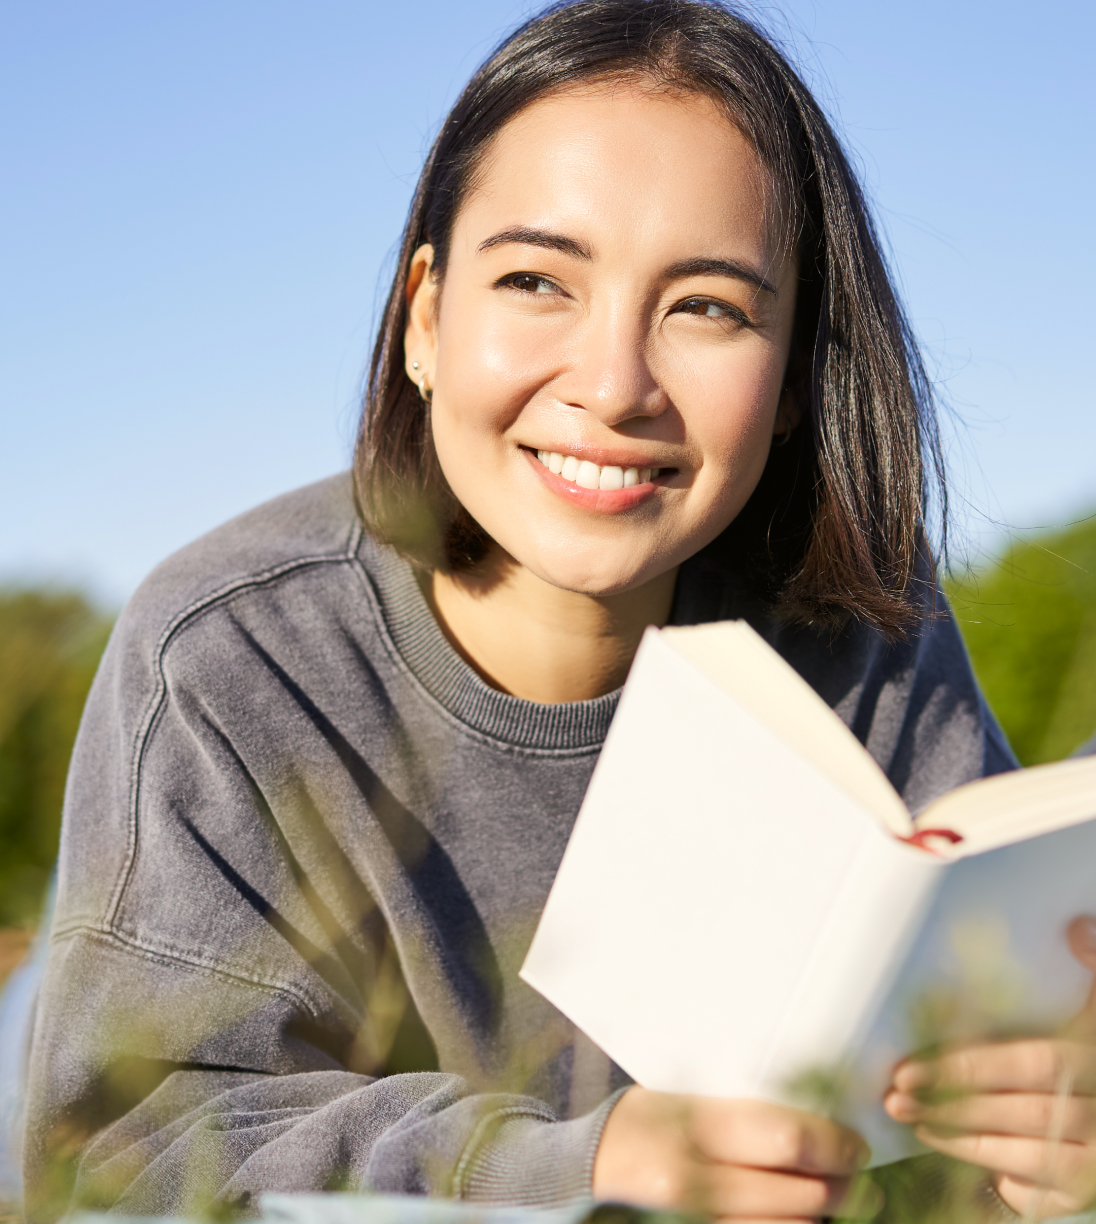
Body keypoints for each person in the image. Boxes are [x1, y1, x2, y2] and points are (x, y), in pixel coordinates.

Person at [21, 1, 1096, 1220]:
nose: (614, 384)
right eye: (537, 280)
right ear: (424, 316)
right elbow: (117, 1148)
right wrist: (579, 1163)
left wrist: (1050, 1146)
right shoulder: (227, 653)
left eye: (708, 307)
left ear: (795, 376)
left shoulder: (865, 629)